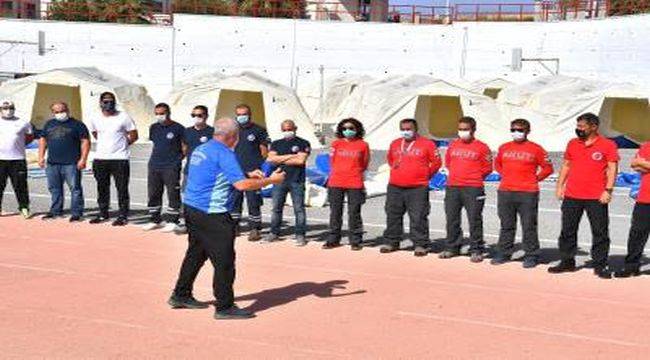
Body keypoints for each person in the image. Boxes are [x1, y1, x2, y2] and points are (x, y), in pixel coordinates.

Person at [169, 117, 285, 320]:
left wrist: (248, 173)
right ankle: (224, 306)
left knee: (196, 254)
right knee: (224, 261)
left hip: (192, 208)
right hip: (212, 214)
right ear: (233, 137)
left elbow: (216, 172)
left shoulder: (203, 149)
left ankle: (181, 294)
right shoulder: (224, 153)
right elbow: (241, 186)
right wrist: (271, 180)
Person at [549, 113, 618, 279]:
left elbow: (612, 168)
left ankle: (600, 264)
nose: (578, 129)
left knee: (600, 231)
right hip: (573, 195)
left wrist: (608, 190)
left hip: (596, 196)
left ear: (594, 127)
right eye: (578, 126)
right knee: (567, 230)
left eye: (582, 127)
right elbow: (566, 166)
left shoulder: (608, 145)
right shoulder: (573, 143)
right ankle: (567, 261)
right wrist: (559, 187)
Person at [491, 119, 553, 268]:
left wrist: (535, 179)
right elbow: (497, 164)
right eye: (513, 130)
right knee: (506, 225)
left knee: (529, 225)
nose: (516, 133)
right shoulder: (504, 147)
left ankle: (531, 255)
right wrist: (505, 175)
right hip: (506, 191)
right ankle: (504, 253)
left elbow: (547, 168)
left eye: (520, 130)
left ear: (527, 131)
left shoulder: (536, 149)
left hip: (527, 193)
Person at [379, 118, 441, 256]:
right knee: (392, 215)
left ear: (415, 129)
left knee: (418, 216)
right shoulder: (395, 143)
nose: (405, 131)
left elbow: (436, 163)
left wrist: (425, 175)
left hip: (417, 187)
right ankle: (391, 242)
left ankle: (420, 244)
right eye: (403, 129)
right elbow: (390, 159)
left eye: (408, 129)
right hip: (395, 186)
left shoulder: (427, 144)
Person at [439, 116, 492, 263]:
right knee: (452, 219)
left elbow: (488, 168)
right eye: (460, 129)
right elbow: (448, 163)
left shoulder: (482, 147)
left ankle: (476, 249)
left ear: (473, 130)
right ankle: (452, 247)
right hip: (453, 187)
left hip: (473, 188)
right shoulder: (453, 145)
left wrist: (473, 177)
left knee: (474, 219)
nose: (462, 132)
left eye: (465, 129)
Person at [88, 92, 139, 226]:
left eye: (111, 101)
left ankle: (123, 215)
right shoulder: (94, 117)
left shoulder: (123, 116)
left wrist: (123, 145)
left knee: (122, 188)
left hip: (120, 158)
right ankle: (103, 213)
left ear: (115, 102)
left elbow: (133, 135)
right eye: (105, 101)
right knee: (102, 187)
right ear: (100, 102)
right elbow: (95, 133)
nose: (108, 104)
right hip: (100, 158)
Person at [322, 118, 370, 251]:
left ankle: (355, 240)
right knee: (335, 212)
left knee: (354, 212)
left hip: (354, 182)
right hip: (336, 181)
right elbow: (332, 161)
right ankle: (333, 239)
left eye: (351, 128)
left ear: (357, 129)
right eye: (344, 128)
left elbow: (364, 163)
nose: (347, 131)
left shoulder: (363, 145)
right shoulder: (336, 144)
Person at [38, 102, 90, 222]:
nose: (60, 113)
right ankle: (55, 211)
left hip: (71, 163)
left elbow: (85, 141)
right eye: (57, 112)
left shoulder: (77, 124)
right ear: (53, 113)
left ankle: (76, 213)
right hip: (52, 163)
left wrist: (83, 159)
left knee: (75, 189)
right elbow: (43, 140)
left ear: (67, 110)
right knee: (54, 188)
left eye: (62, 111)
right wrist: (40, 157)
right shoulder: (49, 124)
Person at [264, 120, 311, 246]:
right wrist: (291, 156)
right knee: (276, 208)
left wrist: (280, 159)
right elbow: (270, 159)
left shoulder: (303, 143)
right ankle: (274, 232)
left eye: (289, 129)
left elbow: (301, 161)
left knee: (299, 209)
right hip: (279, 179)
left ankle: (300, 234)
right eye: (284, 130)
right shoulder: (276, 143)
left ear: (295, 128)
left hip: (297, 180)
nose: (287, 132)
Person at [143, 103, 185, 232]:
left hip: (171, 166)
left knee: (173, 192)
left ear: (168, 113)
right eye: (157, 113)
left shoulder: (178, 128)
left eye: (162, 113)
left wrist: (177, 160)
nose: (159, 116)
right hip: (155, 165)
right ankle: (155, 219)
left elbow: (185, 147)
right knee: (153, 192)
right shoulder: (154, 127)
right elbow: (156, 144)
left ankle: (173, 220)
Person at [231, 104, 270, 241]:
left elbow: (264, 152)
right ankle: (234, 226)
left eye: (244, 114)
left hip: (253, 173)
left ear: (250, 114)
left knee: (253, 201)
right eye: (239, 114)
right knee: (235, 200)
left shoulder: (259, 130)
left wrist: (257, 167)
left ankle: (255, 229)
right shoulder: (232, 130)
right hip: (235, 173)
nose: (242, 117)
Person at [615, 141, 650, 277]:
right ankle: (631, 266)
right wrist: (641, 164)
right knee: (637, 233)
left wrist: (644, 164)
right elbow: (634, 165)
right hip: (645, 197)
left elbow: (640, 165)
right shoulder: (647, 145)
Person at [0, 100, 33, 218]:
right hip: (0, 159)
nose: (8, 110)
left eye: (10, 108)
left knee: (20, 185)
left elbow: (29, 137)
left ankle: (24, 207)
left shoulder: (23, 122)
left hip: (17, 159)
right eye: (5, 108)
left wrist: (17, 145)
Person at [182, 105, 214, 190]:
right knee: (187, 198)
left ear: (206, 116)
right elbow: (184, 149)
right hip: (189, 172)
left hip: (206, 173)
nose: (196, 117)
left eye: (199, 115)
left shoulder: (213, 132)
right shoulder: (187, 131)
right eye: (193, 115)